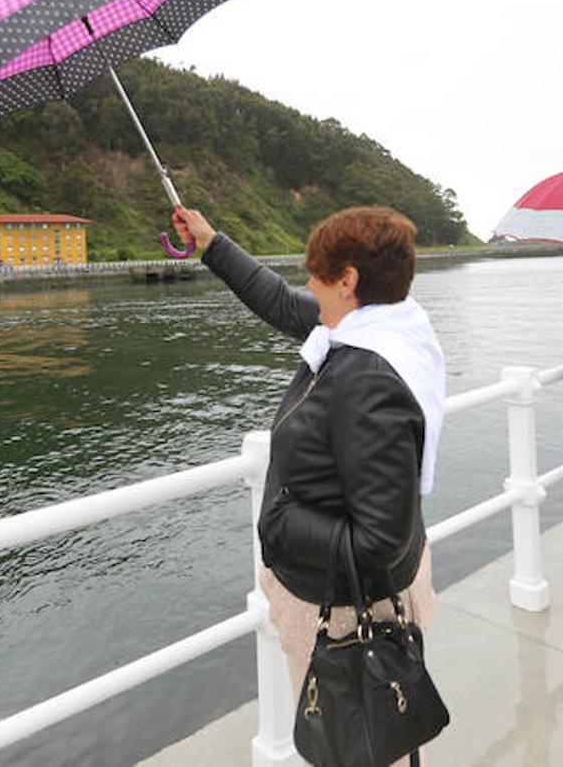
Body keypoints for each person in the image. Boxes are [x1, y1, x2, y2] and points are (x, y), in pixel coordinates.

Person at [172, 204, 446, 763]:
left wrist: (280, 520)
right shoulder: (390, 324)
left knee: (352, 749)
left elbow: (379, 540)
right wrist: (211, 243)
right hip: (362, 589)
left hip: (347, 610)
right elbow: (279, 301)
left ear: (347, 281)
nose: (307, 284)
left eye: (316, 273)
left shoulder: (370, 376)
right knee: (371, 744)